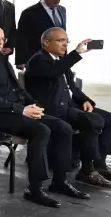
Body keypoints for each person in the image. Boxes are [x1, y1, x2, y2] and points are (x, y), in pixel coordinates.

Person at [0, 25, 87, 207]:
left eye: (2, 39)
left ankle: (60, 181)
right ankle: (34, 189)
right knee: (41, 130)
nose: (1, 42)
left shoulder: (3, 61)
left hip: (17, 111)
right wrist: (21, 110)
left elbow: (18, 90)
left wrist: (34, 105)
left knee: (63, 127)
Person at [24, 29, 111, 187]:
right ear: (46, 43)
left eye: (66, 41)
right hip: (53, 109)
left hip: (71, 105)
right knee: (91, 121)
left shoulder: (61, 60)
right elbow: (53, 73)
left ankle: (99, 165)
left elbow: (72, 86)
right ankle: (87, 170)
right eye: (60, 40)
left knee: (107, 119)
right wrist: (76, 53)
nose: (65, 44)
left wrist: (85, 100)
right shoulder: (38, 60)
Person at [15, 0, 67, 68]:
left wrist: (65, 56)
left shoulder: (62, 10)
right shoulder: (29, 12)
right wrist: (21, 60)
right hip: (38, 59)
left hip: (59, 59)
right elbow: (22, 37)